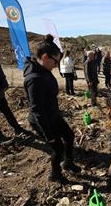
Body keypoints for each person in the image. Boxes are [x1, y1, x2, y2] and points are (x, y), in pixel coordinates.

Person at [24, 34, 81, 184]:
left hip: (53, 114)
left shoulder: (43, 70)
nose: (56, 65)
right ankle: (55, 174)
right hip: (42, 120)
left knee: (69, 136)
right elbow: (37, 111)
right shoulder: (34, 79)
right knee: (57, 149)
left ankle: (68, 162)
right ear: (44, 57)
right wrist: (48, 134)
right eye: (55, 61)